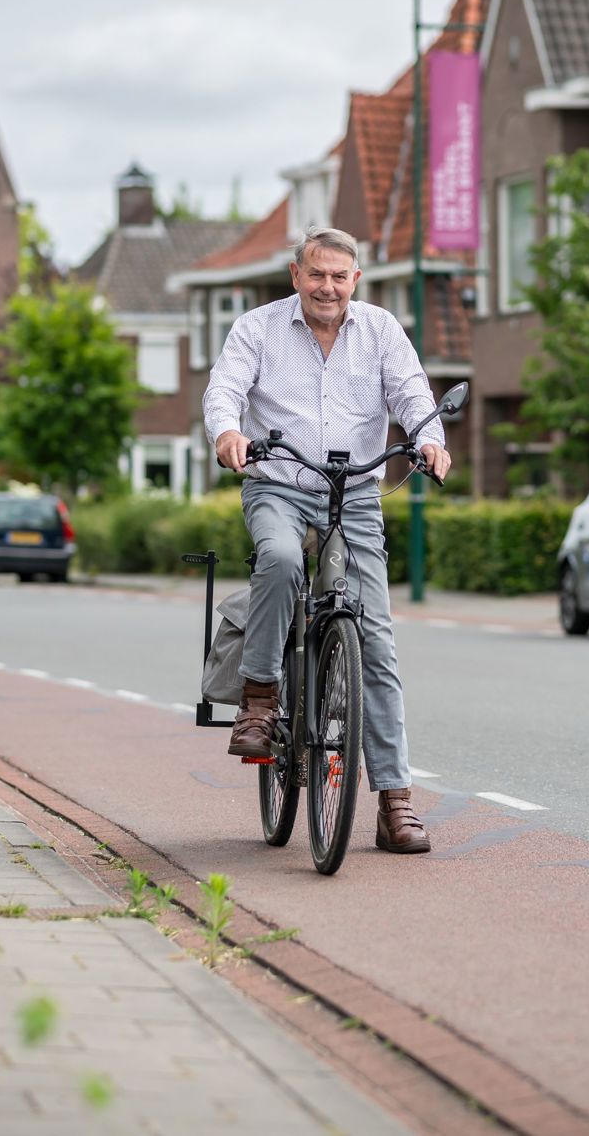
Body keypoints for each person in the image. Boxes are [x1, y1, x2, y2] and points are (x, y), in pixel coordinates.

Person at [203, 226, 451, 855]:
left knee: (376, 639)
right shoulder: (257, 329)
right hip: (279, 486)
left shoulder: (380, 330)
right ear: (296, 275)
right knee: (282, 559)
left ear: (356, 281)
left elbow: (410, 391)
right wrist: (228, 433)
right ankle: (260, 698)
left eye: (340, 277)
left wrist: (428, 437)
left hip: (357, 493)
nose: (328, 287)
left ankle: (393, 799)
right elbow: (225, 387)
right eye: (317, 274)